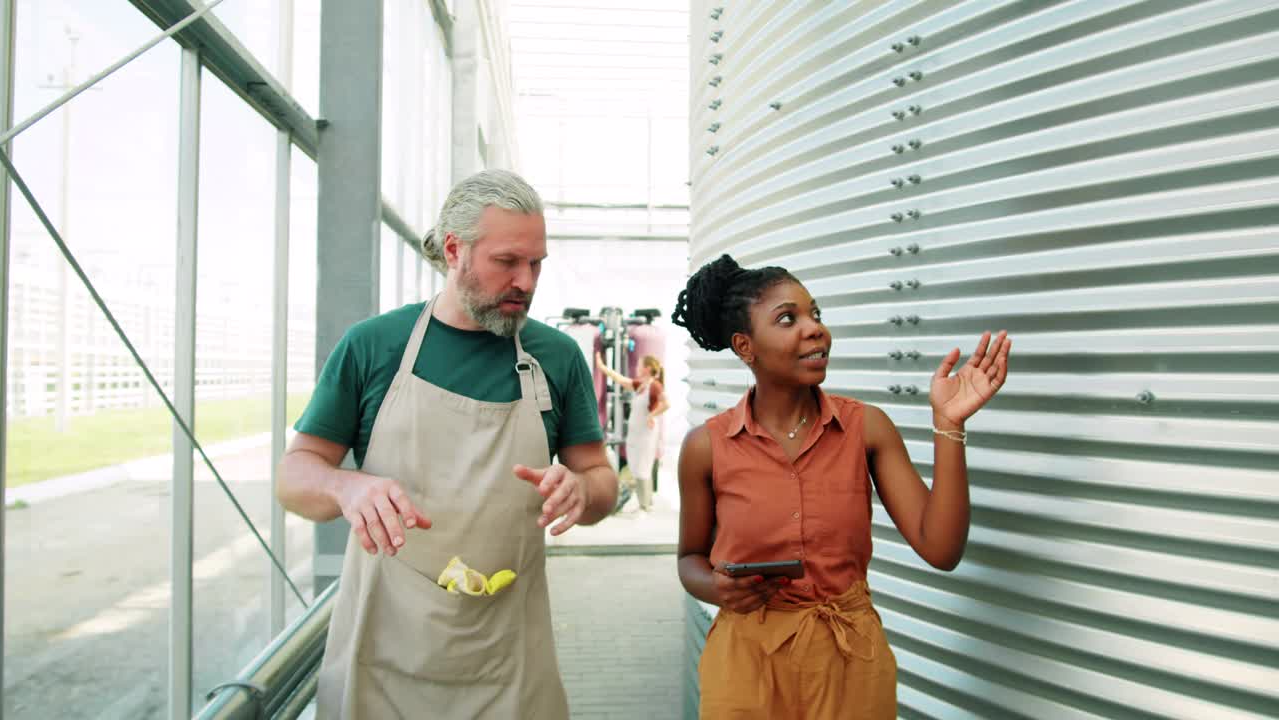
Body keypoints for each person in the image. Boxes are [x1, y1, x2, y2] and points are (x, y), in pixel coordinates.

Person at [276, 169, 619, 719]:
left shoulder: (556, 358)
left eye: (536, 264)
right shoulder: (374, 346)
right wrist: (344, 486)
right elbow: (294, 476)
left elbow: (601, 480)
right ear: (455, 249)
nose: (526, 282)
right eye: (507, 262)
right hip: (383, 655)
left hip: (510, 661)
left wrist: (582, 488)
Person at [672, 254, 1010, 719]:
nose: (814, 329)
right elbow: (688, 559)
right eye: (788, 319)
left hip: (850, 662)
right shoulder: (705, 447)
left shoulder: (867, 429)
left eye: (816, 314)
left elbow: (942, 549)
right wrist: (717, 588)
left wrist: (948, 424)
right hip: (746, 667)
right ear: (744, 346)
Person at [595, 352, 669, 511]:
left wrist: (651, 415)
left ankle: (644, 506)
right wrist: (602, 367)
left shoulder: (654, 386)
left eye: (640, 365)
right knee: (636, 467)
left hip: (646, 434)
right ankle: (645, 503)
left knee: (642, 468)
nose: (637, 367)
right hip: (636, 434)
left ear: (647, 369)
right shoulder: (640, 385)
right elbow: (620, 379)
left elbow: (666, 403)